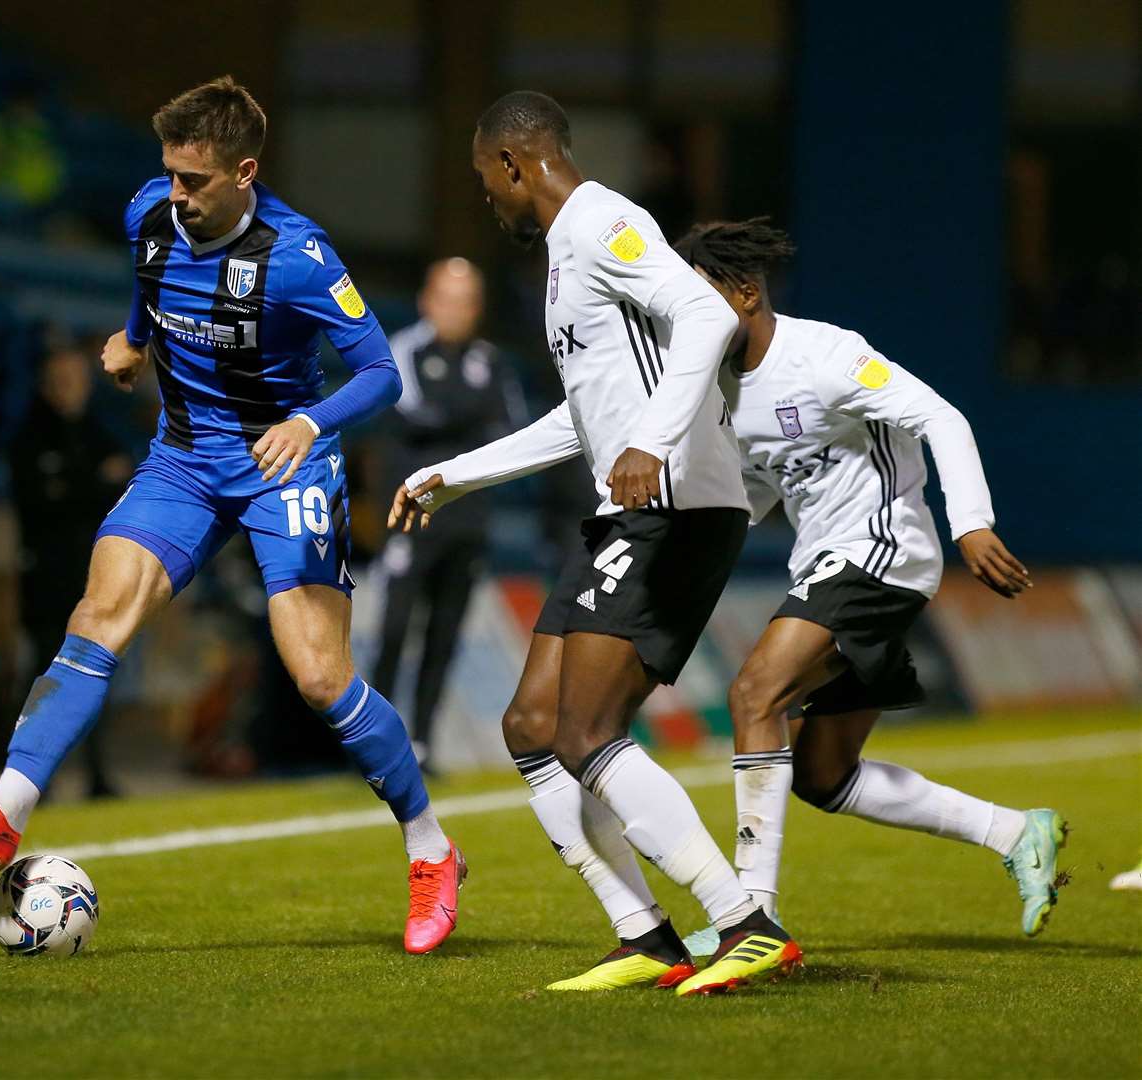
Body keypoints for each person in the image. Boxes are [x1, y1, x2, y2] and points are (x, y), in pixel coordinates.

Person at [0, 76, 464, 954]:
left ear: (245, 172)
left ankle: (431, 849)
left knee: (320, 677)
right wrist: (135, 340)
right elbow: (151, 285)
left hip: (286, 463)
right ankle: (3, 810)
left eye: (195, 180)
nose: (177, 194)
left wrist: (310, 421)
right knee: (97, 615)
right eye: (169, 174)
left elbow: (381, 374)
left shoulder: (301, 257)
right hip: (183, 458)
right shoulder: (149, 216)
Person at [389, 91, 798, 993]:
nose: (486, 200)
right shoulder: (562, 266)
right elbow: (581, 422)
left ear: (511, 164)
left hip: (676, 504)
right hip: (628, 508)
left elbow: (707, 318)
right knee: (533, 727)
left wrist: (651, 440)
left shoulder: (604, 221)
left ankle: (745, 922)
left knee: (584, 729)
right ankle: (644, 934)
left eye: (484, 180)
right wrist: (453, 474)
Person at [664, 218, 1064, 953]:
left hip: (882, 552)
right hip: (834, 562)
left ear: (746, 293)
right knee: (822, 774)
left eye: (700, 299)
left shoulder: (827, 356)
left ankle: (748, 917)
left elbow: (942, 418)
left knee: (754, 695)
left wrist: (970, 521)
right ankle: (1015, 831)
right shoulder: (723, 391)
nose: (688, 320)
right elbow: (757, 493)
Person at [371, 257, 524, 767]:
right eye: (447, 298)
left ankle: (423, 742)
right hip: (412, 517)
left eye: (466, 301)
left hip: (468, 522)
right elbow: (414, 416)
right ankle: (377, 741)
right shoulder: (404, 351)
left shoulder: (490, 362)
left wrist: (457, 427)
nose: (456, 310)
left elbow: (512, 435)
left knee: (445, 633)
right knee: (394, 629)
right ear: (426, 300)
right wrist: (469, 424)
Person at [8, 343, 132, 798]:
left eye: (77, 381)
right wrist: (95, 481)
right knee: (44, 678)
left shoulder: (96, 430)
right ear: (45, 385)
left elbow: (125, 479)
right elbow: (42, 503)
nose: (71, 390)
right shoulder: (30, 435)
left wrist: (84, 483)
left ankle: (97, 774)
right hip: (47, 582)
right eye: (62, 381)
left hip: (91, 578)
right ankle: (33, 777)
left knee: (96, 674)